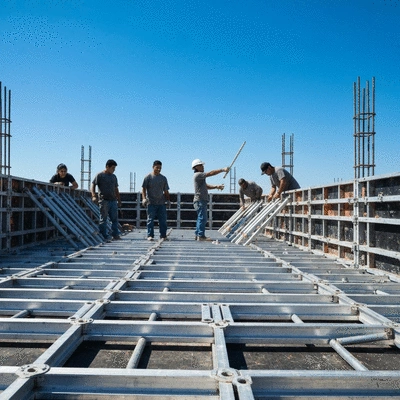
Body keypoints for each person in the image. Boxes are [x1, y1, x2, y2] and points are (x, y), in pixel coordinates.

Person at [192, 158, 229, 241]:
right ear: (196, 167)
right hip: (200, 200)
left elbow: (206, 186)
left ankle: (198, 234)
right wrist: (222, 169)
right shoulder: (198, 175)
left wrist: (216, 186)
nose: (203, 166)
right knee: (202, 218)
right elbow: (211, 173)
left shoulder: (199, 177)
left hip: (199, 200)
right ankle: (201, 236)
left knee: (200, 218)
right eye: (201, 165)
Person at [91, 159, 121, 241]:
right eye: (113, 168)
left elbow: (116, 189)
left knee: (114, 219)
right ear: (107, 167)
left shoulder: (114, 177)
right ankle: (104, 235)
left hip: (113, 200)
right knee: (103, 219)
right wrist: (93, 195)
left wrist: (119, 200)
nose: (114, 170)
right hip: (104, 200)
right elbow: (93, 185)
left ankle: (115, 234)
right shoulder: (100, 175)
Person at [142, 160, 170, 241]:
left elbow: (166, 191)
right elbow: (143, 189)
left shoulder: (163, 178)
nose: (158, 169)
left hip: (161, 203)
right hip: (151, 202)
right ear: (153, 167)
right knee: (150, 220)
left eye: (160, 168)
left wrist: (168, 200)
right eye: (157, 167)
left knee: (163, 220)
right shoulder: (148, 177)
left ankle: (163, 235)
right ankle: (150, 235)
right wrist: (144, 198)